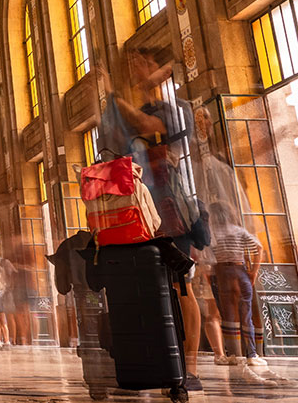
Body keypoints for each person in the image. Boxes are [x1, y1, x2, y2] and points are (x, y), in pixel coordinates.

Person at [98, 49, 209, 392]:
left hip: (174, 205)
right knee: (157, 284)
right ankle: (165, 357)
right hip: (144, 204)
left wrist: (112, 96)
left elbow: (146, 128)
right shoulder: (143, 108)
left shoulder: (174, 109)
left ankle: (189, 365)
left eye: (138, 63)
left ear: (156, 68)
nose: (134, 70)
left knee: (182, 285)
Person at [209, 201, 264, 369]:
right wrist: (254, 271)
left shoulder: (213, 234)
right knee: (246, 315)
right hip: (240, 270)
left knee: (229, 317)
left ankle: (234, 354)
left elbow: (208, 255)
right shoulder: (239, 231)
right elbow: (259, 248)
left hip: (222, 273)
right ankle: (252, 354)